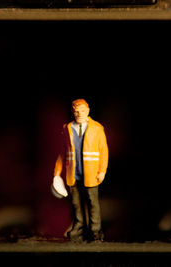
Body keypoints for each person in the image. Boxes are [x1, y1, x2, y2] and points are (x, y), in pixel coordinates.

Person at [53, 99, 109, 241]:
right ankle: (78, 227)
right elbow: (62, 153)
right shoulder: (67, 128)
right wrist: (57, 174)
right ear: (73, 112)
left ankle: (95, 230)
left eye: (83, 111)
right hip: (73, 173)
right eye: (77, 111)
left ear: (88, 111)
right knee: (76, 203)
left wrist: (102, 171)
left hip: (91, 174)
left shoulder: (97, 128)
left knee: (92, 202)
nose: (79, 114)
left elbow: (104, 151)